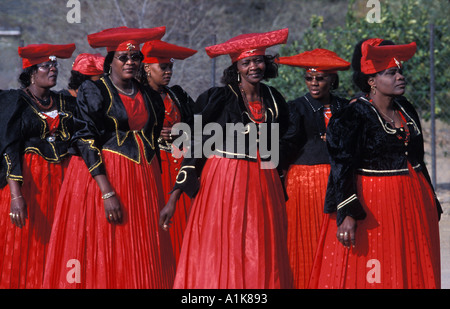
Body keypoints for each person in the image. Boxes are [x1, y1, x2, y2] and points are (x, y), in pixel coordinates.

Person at [160, 28, 294, 289]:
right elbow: (196, 145)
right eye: (246, 62)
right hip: (225, 182)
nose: (254, 66)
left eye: (258, 61)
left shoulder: (275, 100)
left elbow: (281, 145)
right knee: (225, 244)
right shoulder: (218, 99)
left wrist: (279, 185)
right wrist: (175, 195)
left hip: (263, 183)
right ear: (236, 67)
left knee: (260, 245)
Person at [43, 26, 176, 289]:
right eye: (123, 57)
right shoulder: (94, 91)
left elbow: (152, 134)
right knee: (109, 242)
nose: (130, 62)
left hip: (144, 178)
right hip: (106, 176)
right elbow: (85, 138)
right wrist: (106, 192)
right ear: (110, 61)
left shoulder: (148, 93)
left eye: (135, 57)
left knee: (144, 245)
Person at [308, 38, 442, 289]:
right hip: (372, 202)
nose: (400, 77)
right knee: (375, 265)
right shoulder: (351, 115)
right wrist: (347, 213)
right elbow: (341, 167)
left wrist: (431, 200)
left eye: (400, 71)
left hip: (411, 199)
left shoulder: (406, 109)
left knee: (406, 262)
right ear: (371, 81)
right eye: (391, 73)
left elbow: (417, 158)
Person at [0, 43, 77, 288]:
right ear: (31, 72)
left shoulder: (65, 101)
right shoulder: (16, 102)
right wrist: (15, 196)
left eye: (55, 65)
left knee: (60, 238)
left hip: (62, 183)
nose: (53, 69)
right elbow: (9, 147)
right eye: (46, 65)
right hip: (30, 185)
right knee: (28, 242)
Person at [277, 48, 350, 288]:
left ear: (332, 79)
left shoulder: (346, 107)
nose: (314, 83)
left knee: (336, 237)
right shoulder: (294, 108)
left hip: (340, 180)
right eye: (309, 78)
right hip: (304, 183)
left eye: (320, 78)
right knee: (303, 240)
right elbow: (284, 147)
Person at [139, 39, 196, 262]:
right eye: (163, 67)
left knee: (183, 225)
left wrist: (181, 133)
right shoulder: (137, 96)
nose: (168, 72)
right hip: (153, 169)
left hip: (180, 169)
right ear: (146, 68)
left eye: (171, 67)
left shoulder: (178, 95)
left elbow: (201, 126)